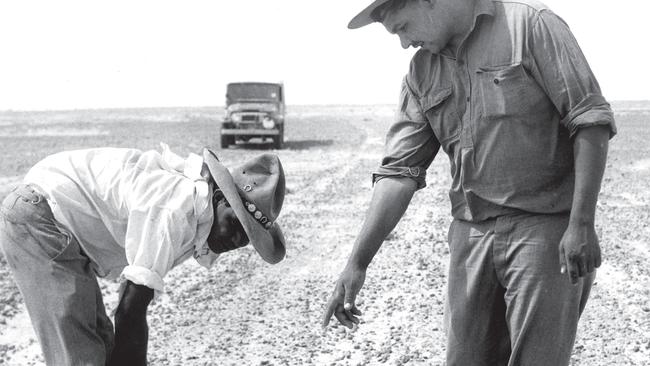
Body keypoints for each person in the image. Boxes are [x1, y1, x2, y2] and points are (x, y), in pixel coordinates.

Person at [322, 0, 616, 365]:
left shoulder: (530, 26)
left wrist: (581, 224)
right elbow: (399, 173)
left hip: (543, 232)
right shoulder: (421, 72)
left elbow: (589, 120)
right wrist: (357, 263)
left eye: (402, 28)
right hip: (471, 236)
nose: (403, 43)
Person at [0, 144, 287, 366]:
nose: (237, 239)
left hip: (62, 228)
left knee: (99, 347)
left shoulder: (196, 213)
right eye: (236, 222)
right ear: (219, 198)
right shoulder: (177, 208)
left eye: (248, 237)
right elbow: (130, 310)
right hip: (39, 217)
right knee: (80, 356)